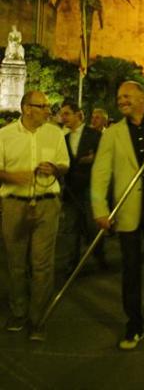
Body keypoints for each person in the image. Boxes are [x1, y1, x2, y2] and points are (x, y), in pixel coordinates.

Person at [91, 81, 144, 351]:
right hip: (127, 210)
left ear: (141, 99)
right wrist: (100, 210)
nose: (121, 100)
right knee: (130, 269)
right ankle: (134, 323)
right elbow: (100, 174)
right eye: (119, 97)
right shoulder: (112, 134)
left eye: (126, 96)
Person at [0, 90, 69, 341]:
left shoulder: (55, 133)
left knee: (42, 264)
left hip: (47, 204)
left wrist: (54, 168)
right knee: (16, 263)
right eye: (42, 106)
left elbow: (64, 163)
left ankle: (38, 317)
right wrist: (12, 176)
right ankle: (18, 311)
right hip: (14, 205)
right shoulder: (4, 136)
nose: (48, 111)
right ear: (27, 108)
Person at [59, 99, 106, 274]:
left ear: (78, 114)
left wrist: (95, 159)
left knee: (93, 226)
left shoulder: (94, 135)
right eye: (62, 114)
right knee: (71, 229)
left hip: (90, 189)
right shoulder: (63, 138)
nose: (63, 118)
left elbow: (105, 161)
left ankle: (99, 256)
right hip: (71, 190)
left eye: (66, 113)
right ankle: (73, 264)